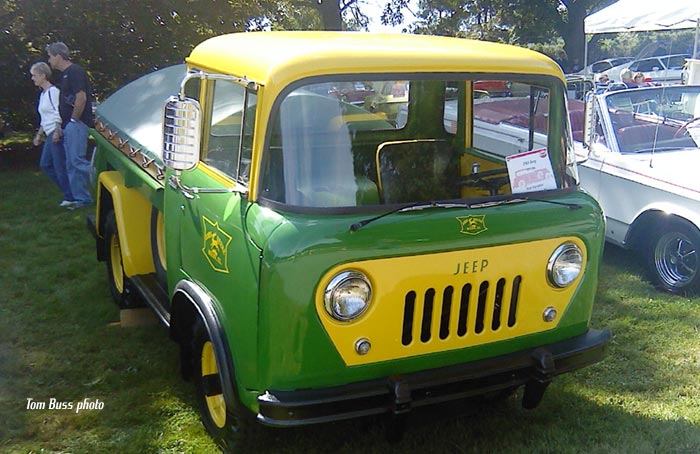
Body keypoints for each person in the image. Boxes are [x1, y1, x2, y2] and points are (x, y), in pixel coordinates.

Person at [46, 42, 94, 209]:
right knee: (71, 164)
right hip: (69, 125)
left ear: (58, 56)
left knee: (77, 161)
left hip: (77, 123)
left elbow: (81, 97)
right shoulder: (66, 75)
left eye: (50, 56)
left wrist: (74, 120)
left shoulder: (75, 71)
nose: (49, 60)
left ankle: (102, 175)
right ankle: (82, 199)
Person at [30, 62, 75, 207]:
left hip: (56, 134)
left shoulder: (53, 92)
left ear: (43, 75)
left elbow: (58, 112)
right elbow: (45, 118)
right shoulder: (43, 94)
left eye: (34, 75)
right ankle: (69, 193)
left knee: (57, 165)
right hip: (49, 133)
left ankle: (70, 196)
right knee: (46, 165)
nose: (32, 78)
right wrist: (39, 134)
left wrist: (57, 130)